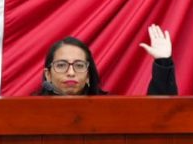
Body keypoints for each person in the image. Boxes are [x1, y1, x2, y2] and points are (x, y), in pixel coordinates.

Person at [36, 25, 178, 95]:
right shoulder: (29, 112)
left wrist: (163, 62)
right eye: (61, 65)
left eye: (79, 65)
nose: (71, 72)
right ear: (48, 75)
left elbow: (158, 115)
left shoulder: (109, 110)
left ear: (88, 75)